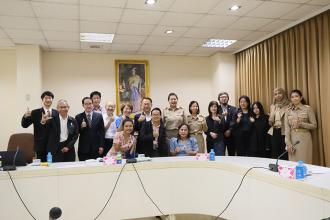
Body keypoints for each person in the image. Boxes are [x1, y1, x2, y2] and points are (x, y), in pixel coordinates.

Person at [21, 91, 58, 162]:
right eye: (46, 98)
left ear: (52, 100)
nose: (48, 100)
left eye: (50, 98)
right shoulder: (35, 112)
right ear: (42, 100)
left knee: (54, 168)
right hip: (40, 146)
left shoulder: (56, 113)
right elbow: (24, 125)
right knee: (41, 168)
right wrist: (25, 116)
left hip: (54, 146)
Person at [285, 90, 317, 164]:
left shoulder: (307, 109)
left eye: (296, 96)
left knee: (304, 162)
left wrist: (301, 124)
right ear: (290, 99)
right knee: (293, 163)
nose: (294, 98)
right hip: (292, 140)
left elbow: (314, 125)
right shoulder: (288, 111)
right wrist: (288, 143)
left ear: (301, 98)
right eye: (292, 97)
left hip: (304, 139)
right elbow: (287, 129)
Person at [268, 88, 290, 160]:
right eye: (275, 94)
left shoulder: (289, 105)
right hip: (274, 131)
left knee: (284, 153)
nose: (278, 95)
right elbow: (271, 119)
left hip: (284, 131)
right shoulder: (273, 106)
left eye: (279, 93)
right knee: (275, 152)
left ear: (283, 94)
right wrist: (270, 120)